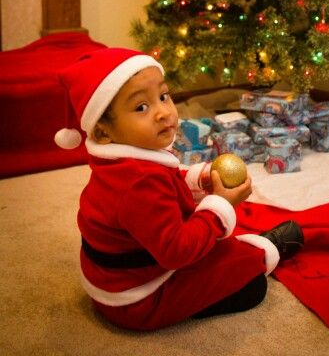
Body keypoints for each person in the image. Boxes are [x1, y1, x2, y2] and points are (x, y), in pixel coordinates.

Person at [55, 47, 304, 331]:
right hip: (139, 299)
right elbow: (176, 251)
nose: (163, 112)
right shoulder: (139, 181)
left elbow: (163, 187)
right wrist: (220, 207)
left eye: (163, 96)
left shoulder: (126, 163)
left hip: (118, 279)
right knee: (248, 277)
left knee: (217, 245)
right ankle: (266, 250)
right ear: (103, 132)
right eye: (141, 107)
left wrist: (197, 181)